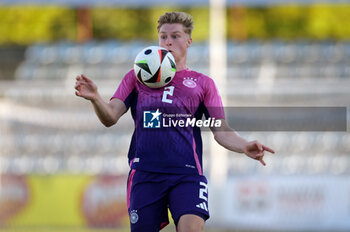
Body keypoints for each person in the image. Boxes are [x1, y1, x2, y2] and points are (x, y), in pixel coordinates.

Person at [75, 11, 274, 232]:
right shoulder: (136, 77)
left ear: (189, 41)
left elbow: (221, 129)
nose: (168, 42)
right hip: (145, 173)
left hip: (187, 174)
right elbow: (110, 116)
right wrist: (96, 99)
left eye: (175, 36)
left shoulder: (203, 84)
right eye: (163, 36)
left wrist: (244, 145)